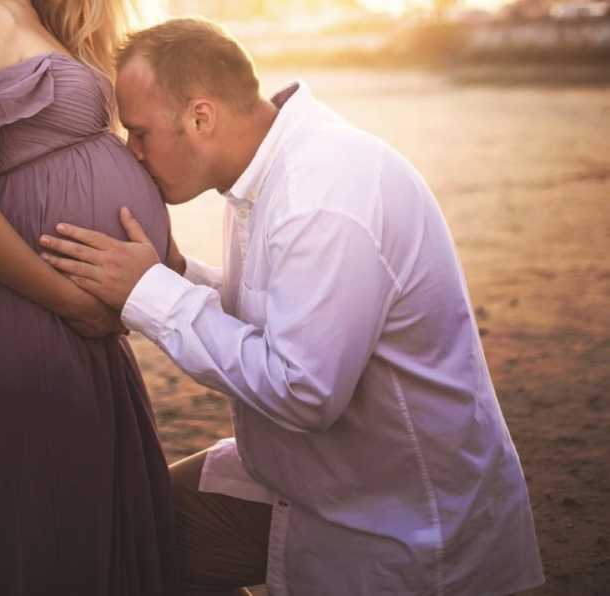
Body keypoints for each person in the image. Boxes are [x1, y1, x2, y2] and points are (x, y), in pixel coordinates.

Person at [39, 18, 545, 596]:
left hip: (400, 516)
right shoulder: (267, 170)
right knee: (130, 531)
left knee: (130, 543)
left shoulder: (322, 194)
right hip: (303, 478)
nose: (133, 154)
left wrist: (147, 292)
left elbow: (304, 389)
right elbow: (280, 315)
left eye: (140, 132)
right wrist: (177, 273)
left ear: (200, 117)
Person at [0, 1, 178, 594]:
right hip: (14, 308)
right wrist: (72, 301)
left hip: (64, 315)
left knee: (85, 521)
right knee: (36, 533)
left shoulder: (44, 24)